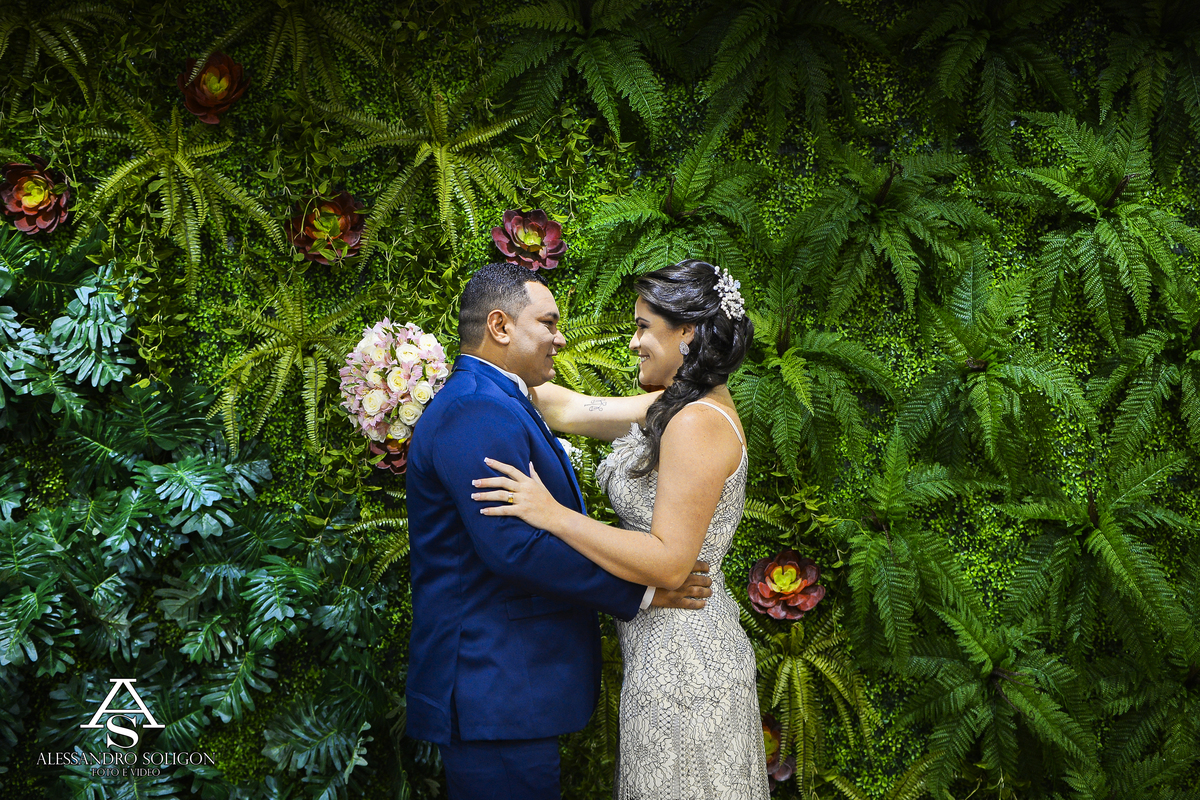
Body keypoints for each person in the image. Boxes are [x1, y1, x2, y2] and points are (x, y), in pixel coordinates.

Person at [404, 261, 714, 800]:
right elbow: (514, 548)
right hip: (493, 686)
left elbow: (608, 411)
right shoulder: (476, 410)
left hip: (505, 690)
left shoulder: (497, 398)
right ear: (500, 327)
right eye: (547, 323)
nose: (560, 337)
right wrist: (643, 591)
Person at [472, 259, 770, 798]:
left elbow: (668, 562)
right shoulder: (672, 405)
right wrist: (459, 378)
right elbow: (570, 407)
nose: (633, 342)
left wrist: (552, 514)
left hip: (687, 659)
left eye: (642, 327)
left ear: (687, 334)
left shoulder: (697, 423)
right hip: (661, 647)